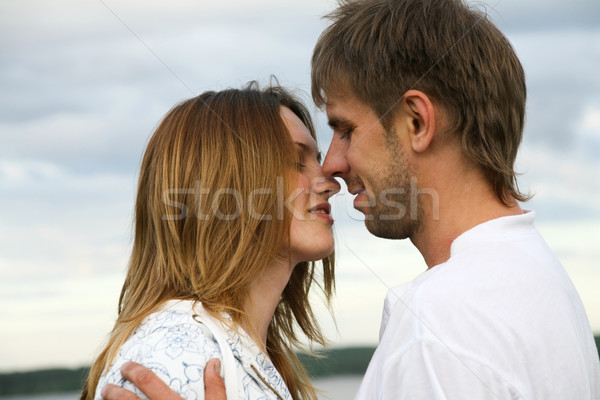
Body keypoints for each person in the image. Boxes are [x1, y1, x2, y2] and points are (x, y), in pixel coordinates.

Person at [101, 0, 600, 399]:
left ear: (417, 123)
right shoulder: (542, 282)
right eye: (301, 158)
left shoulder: (446, 318)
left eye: (344, 129)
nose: (332, 170)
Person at [81, 83, 340, 400]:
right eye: (296, 161)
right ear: (228, 185)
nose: (330, 183)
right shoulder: (174, 356)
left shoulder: (231, 349)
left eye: (318, 158)